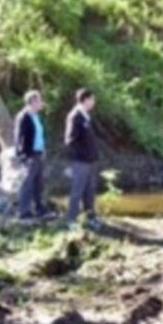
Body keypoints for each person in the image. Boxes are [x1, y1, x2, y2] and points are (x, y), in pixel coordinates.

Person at [14, 90, 54, 220]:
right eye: (39, 100)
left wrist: (43, 150)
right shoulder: (23, 116)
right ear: (32, 101)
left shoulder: (36, 116)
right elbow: (19, 138)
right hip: (29, 155)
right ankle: (23, 211)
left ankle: (39, 208)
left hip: (38, 153)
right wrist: (23, 155)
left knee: (38, 183)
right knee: (27, 183)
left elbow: (39, 136)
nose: (41, 102)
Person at [64, 88, 100, 229]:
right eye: (92, 99)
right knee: (77, 191)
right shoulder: (75, 116)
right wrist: (84, 155)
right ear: (85, 100)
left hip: (90, 161)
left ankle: (90, 217)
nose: (94, 102)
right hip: (80, 161)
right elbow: (70, 140)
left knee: (89, 191)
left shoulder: (86, 116)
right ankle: (71, 220)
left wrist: (93, 155)